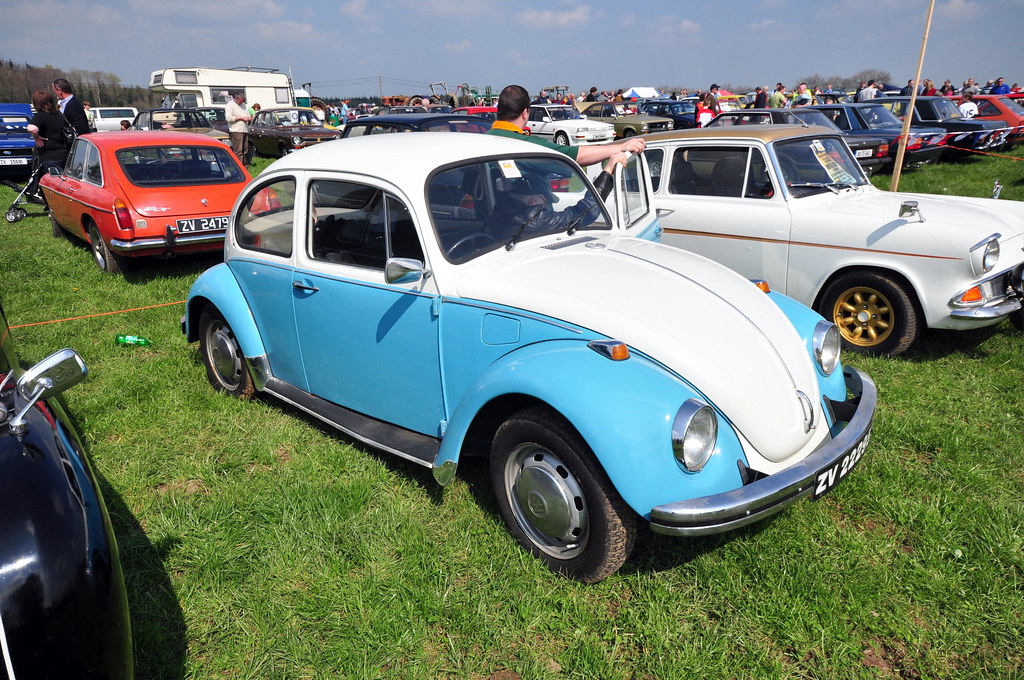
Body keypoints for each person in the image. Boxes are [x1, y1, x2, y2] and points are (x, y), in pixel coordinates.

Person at [483, 152, 630, 249]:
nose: (548, 206)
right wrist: (609, 168)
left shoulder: (499, 209)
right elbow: (586, 212)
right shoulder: (536, 218)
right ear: (534, 200)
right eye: (546, 202)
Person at [486, 85, 645, 166]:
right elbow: (577, 155)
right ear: (525, 113)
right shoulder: (528, 144)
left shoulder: (482, 140)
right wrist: (622, 146)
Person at [24, 89, 70, 201]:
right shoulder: (59, 115)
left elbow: (32, 128)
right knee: (65, 183)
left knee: (54, 184)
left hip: (49, 155)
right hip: (65, 154)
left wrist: (36, 137)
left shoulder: (40, 116)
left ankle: (54, 206)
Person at [225, 90, 253, 162]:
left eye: (243, 101)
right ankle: (238, 167)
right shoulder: (230, 105)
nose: (242, 102)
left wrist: (249, 118)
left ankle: (245, 167)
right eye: (241, 101)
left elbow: (247, 115)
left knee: (245, 149)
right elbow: (228, 118)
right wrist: (240, 118)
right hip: (236, 131)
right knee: (238, 150)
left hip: (244, 130)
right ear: (236, 98)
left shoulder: (243, 105)